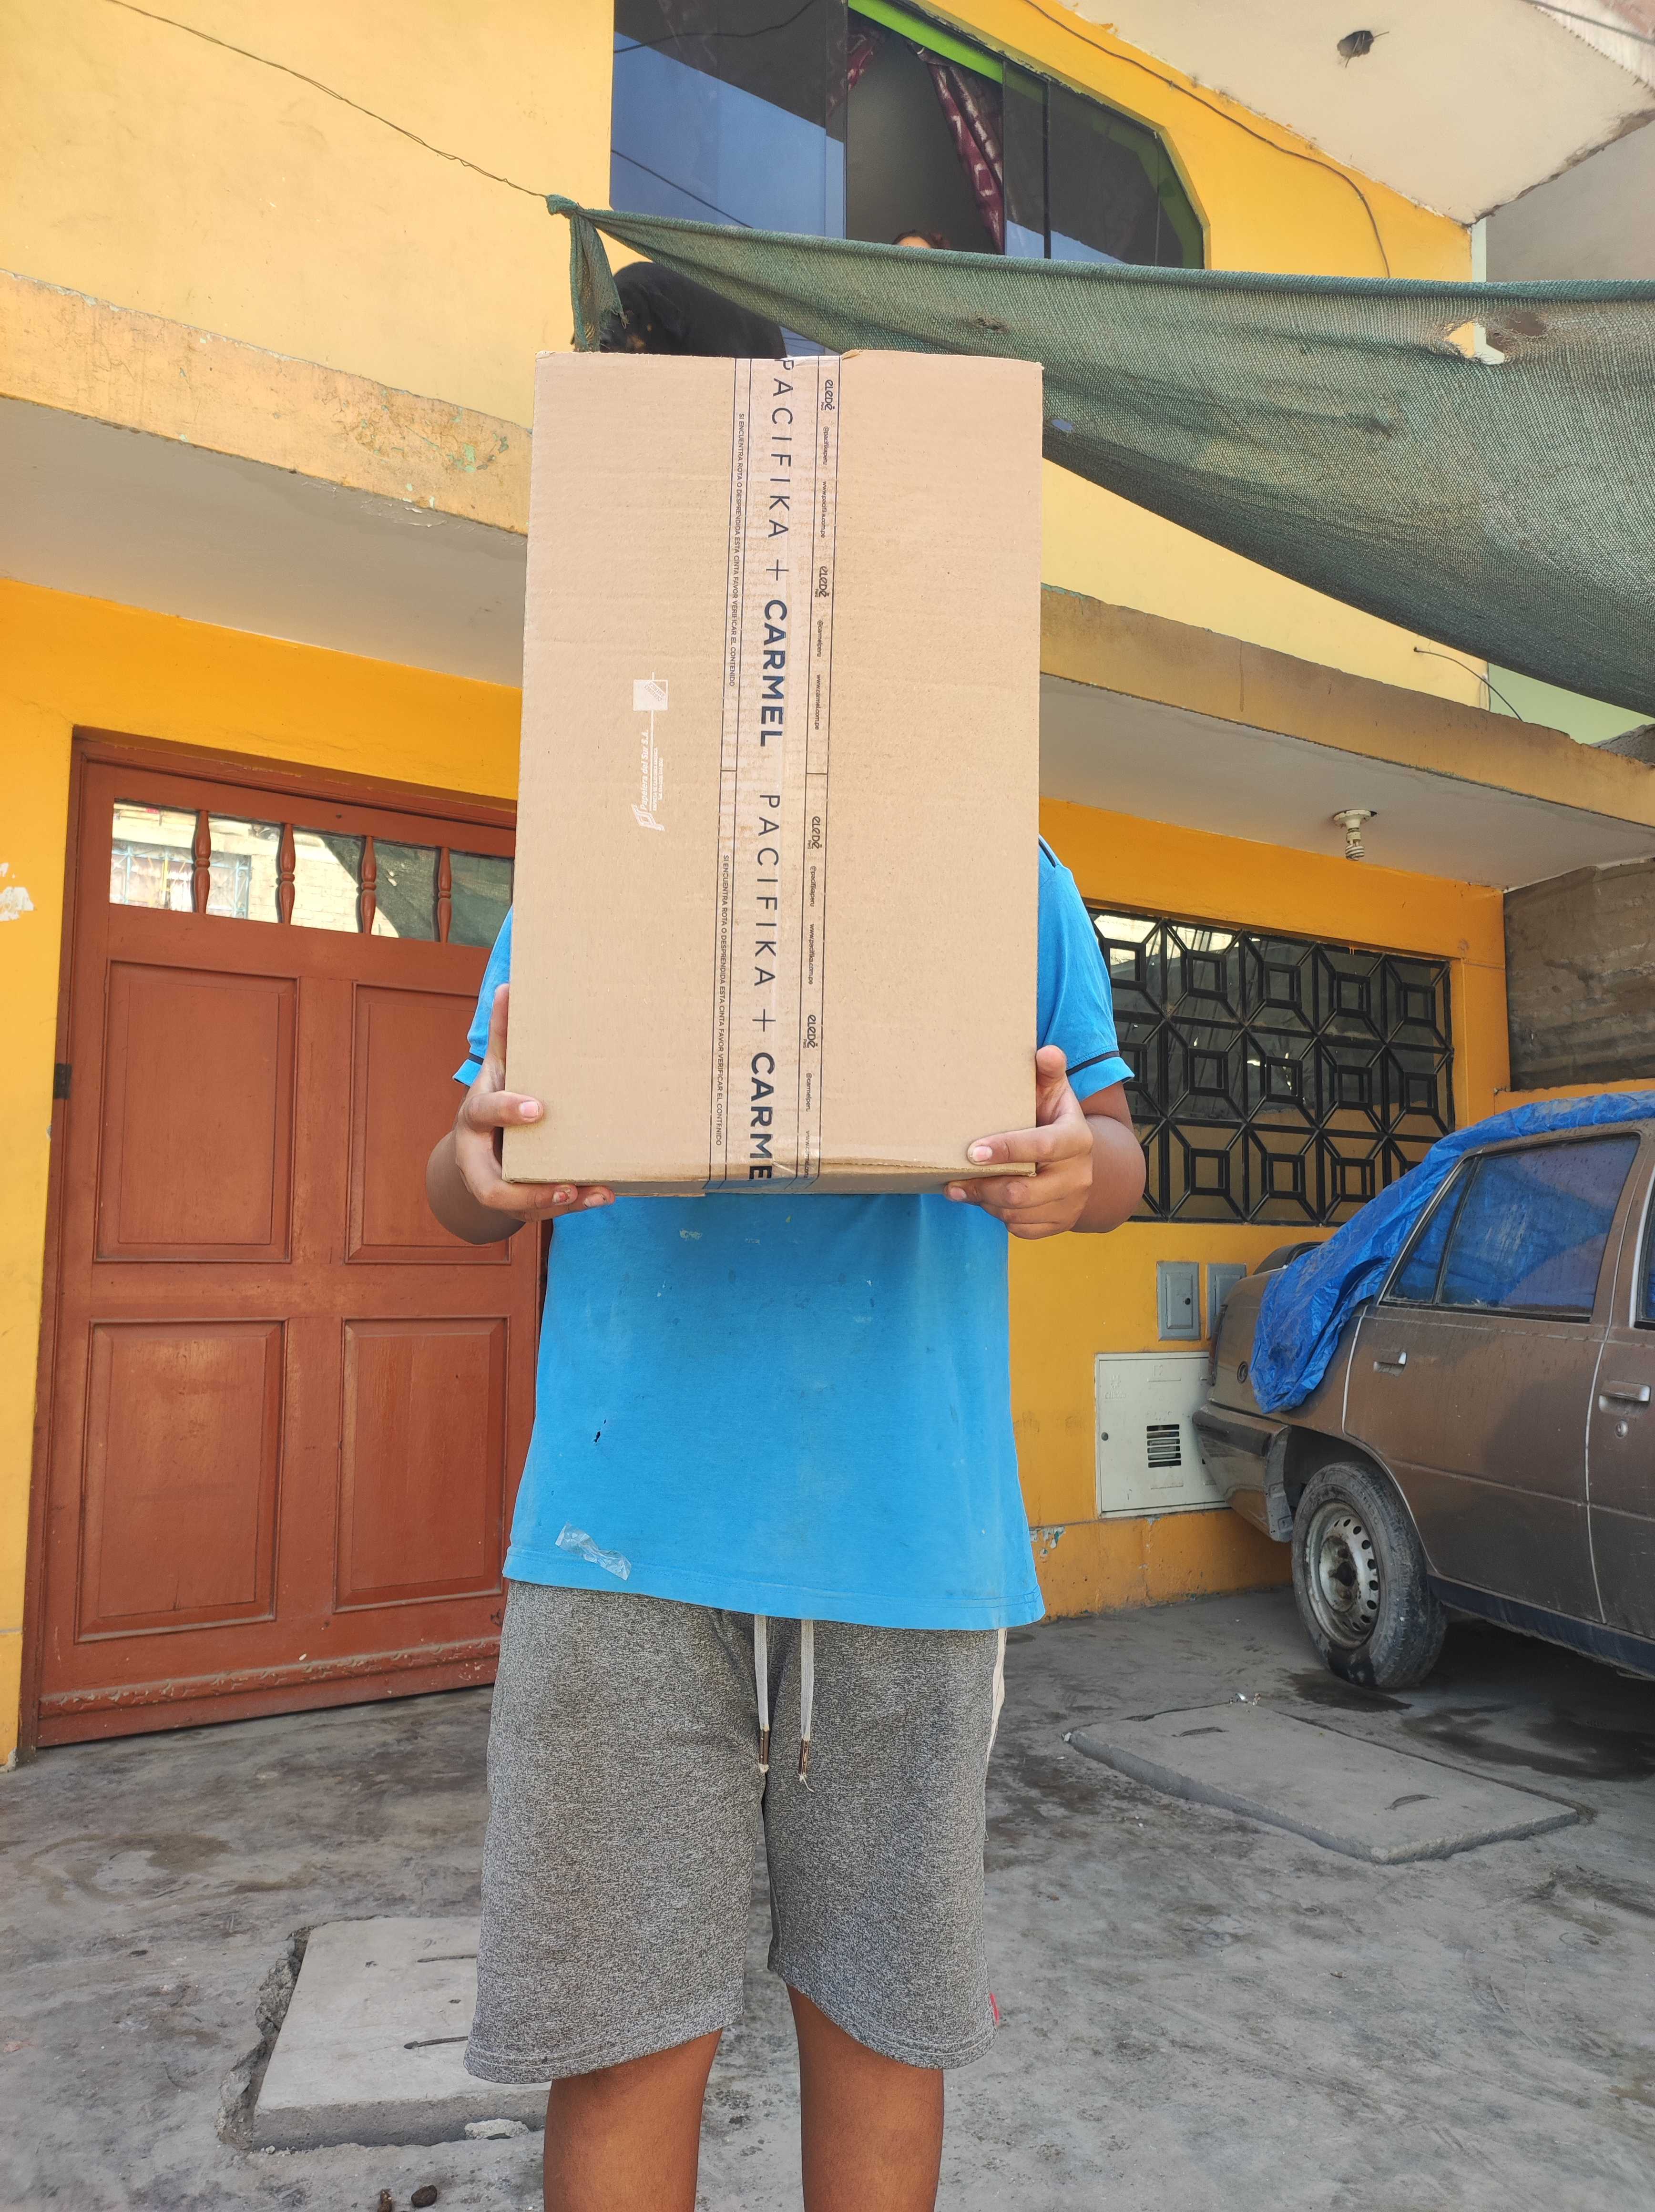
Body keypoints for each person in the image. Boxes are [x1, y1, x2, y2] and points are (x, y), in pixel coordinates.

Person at [426, 843, 1144, 2212]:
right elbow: (463, 1168)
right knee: (617, 2046)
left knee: (885, 2024)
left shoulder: (1001, 859)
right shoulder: (604, 839)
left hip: (906, 1527)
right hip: (621, 1533)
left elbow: (1113, 1151)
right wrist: (480, 1169)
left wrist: (1073, 1173)